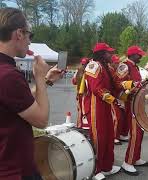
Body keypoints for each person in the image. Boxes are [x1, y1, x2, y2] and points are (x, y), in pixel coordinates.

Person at [0, 7, 64, 179]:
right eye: (30, 35)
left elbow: (20, 103)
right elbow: (41, 120)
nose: (30, 42)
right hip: (15, 170)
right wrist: (40, 76)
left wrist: (46, 81)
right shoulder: (8, 76)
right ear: (19, 34)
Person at [84, 42, 121, 178]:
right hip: (96, 106)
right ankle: (96, 170)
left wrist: (130, 85)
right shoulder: (93, 66)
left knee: (109, 136)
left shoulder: (108, 67)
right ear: (101, 54)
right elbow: (96, 89)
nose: (111, 54)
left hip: (105, 105)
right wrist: (112, 99)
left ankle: (107, 166)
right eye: (108, 52)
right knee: (99, 138)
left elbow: (117, 83)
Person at [115, 46, 148, 176]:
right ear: (132, 55)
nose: (141, 57)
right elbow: (118, 83)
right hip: (131, 102)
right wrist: (132, 86)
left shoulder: (134, 66)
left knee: (140, 132)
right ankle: (128, 162)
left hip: (138, 102)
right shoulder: (124, 66)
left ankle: (136, 158)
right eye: (139, 55)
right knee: (135, 133)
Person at [71, 57, 90, 129]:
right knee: (85, 109)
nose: (84, 66)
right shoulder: (89, 72)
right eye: (83, 64)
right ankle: (84, 125)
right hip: (86, 94)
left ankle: (80, 125)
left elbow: (74, 81)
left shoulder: (78, 70)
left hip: (80, 94)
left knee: (81, 109)